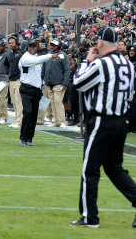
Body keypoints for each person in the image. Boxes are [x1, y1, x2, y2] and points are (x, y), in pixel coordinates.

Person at [71, 27, 136, 228]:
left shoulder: (101, 63)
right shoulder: (128, 64)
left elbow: (79, 84)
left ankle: (90, 217)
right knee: (114, 168)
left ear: (100, 43)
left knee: (89, 169)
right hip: (120, 121)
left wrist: (86, 62)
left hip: (102, 121)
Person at [18, 40, 59, 146]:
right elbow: (34, 62)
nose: (32, 48)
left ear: (37, 48)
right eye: (30, 46)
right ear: (27, 47)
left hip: (36, 89)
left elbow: (38, 72)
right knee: (28, 112)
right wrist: (50, 55)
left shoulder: (37, 58)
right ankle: (22, 137)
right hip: (26, 88)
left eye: (34, 47)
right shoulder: (25, 57)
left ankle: (29, 138)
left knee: (34, 114)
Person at [42, 39, 70, 128]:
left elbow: (67, 70)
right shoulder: (48, 55)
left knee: (58, 102)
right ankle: (56, 121)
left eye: (54, 45)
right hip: (49, 83)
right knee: (52, 103)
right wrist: (44, 80)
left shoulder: (62, 55)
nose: (52, 47)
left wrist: (65, 83)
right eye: (51, 45)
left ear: (58, 46)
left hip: (59, 83)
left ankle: (63, 121)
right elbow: (43, 68)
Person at [7, 36, 25, 128]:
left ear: (17, 43)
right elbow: (7, 65)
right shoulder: (9, 54)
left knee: (19, 102)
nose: (11, 44)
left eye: (12, 43)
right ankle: (16, 120)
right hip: (11, 79)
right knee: (14, 102)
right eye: (10, 43)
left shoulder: (22, 53)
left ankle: (19, 121)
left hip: (19, 79)